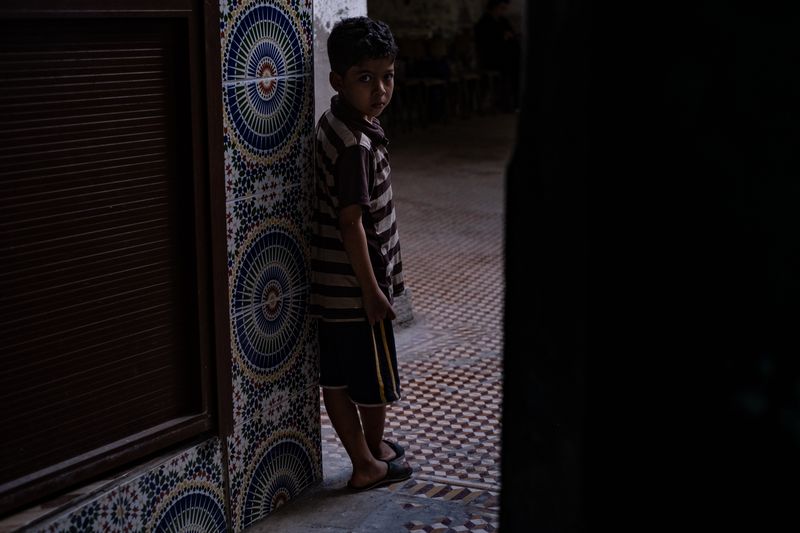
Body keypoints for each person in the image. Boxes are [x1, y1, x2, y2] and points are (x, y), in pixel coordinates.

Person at [310, 16, 413, 492]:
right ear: (338, 81)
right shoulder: (356, 145)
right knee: (373, 385)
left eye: (387, 76)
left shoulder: (334, 120)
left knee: (335, 380)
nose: (380, 90)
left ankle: (367, 453)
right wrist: (374, 292)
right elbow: (352, 222)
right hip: (358, 292)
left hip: (330, 291)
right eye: (365, 78)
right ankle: (368, 460)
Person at [474, 0, 521, 111]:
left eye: (504, 8)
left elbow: (512, 35)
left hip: (506, 55)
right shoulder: (483, 23)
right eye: (501, 8)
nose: (503, 11)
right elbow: (485, 44)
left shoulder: (503, 21)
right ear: (494, 7)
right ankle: (510, 103)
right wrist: (502, 37)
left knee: (518, 62)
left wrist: (508, 37)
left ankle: (516, 101)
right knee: (513, 66)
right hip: (492, 58)